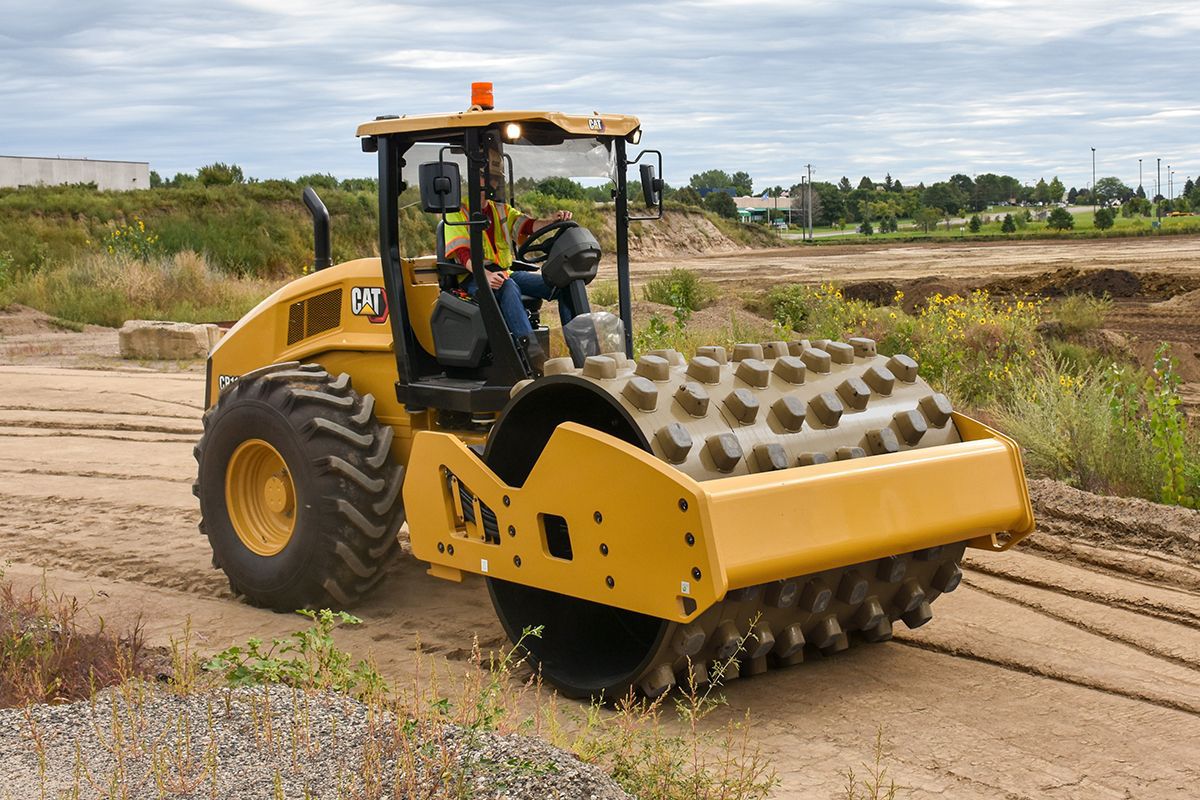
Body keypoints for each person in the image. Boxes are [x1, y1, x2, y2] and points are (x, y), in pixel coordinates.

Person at [440, 138, 577, 368]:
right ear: (476, 179)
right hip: (473, 279)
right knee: (507, 286)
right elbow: (463, 254)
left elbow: (527, 226)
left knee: (563, 284)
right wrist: (484, 275)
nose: (492, 183)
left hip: (504, 273)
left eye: (495, 179)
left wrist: (553, 220)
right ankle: (532, 357)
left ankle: (577, 347)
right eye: (488, 178)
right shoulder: (458, 212)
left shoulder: (500, 210)